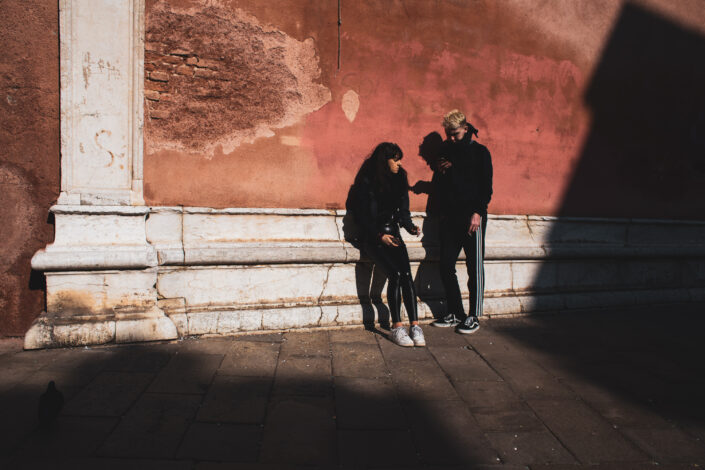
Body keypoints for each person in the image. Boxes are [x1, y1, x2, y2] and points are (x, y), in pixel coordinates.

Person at [350, 142, 424, 347]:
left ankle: (415, 326)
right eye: (396, 159)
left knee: (407, 275)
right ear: (385, 160)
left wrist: (410, 227)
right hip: (373, 237)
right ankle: (397, 327)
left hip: (394, 235)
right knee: (395, 274)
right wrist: (379, 235)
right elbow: (362, 216)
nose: (399, 164)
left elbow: (403, 211)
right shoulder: (366, 182)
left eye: (400, 159)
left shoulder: (400, 179)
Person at [431, 109, 493, 334]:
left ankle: (473, 315)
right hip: (449, 217)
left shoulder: (480, 153)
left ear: (466, 129)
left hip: (472, 218)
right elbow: (444, 184)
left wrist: (477, 212)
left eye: (455, 133)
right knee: (446, 264)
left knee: (474, 266)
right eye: (448, 134)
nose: (451, 138)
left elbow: (486, 187)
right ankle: (456, 312)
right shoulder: (446, 152)